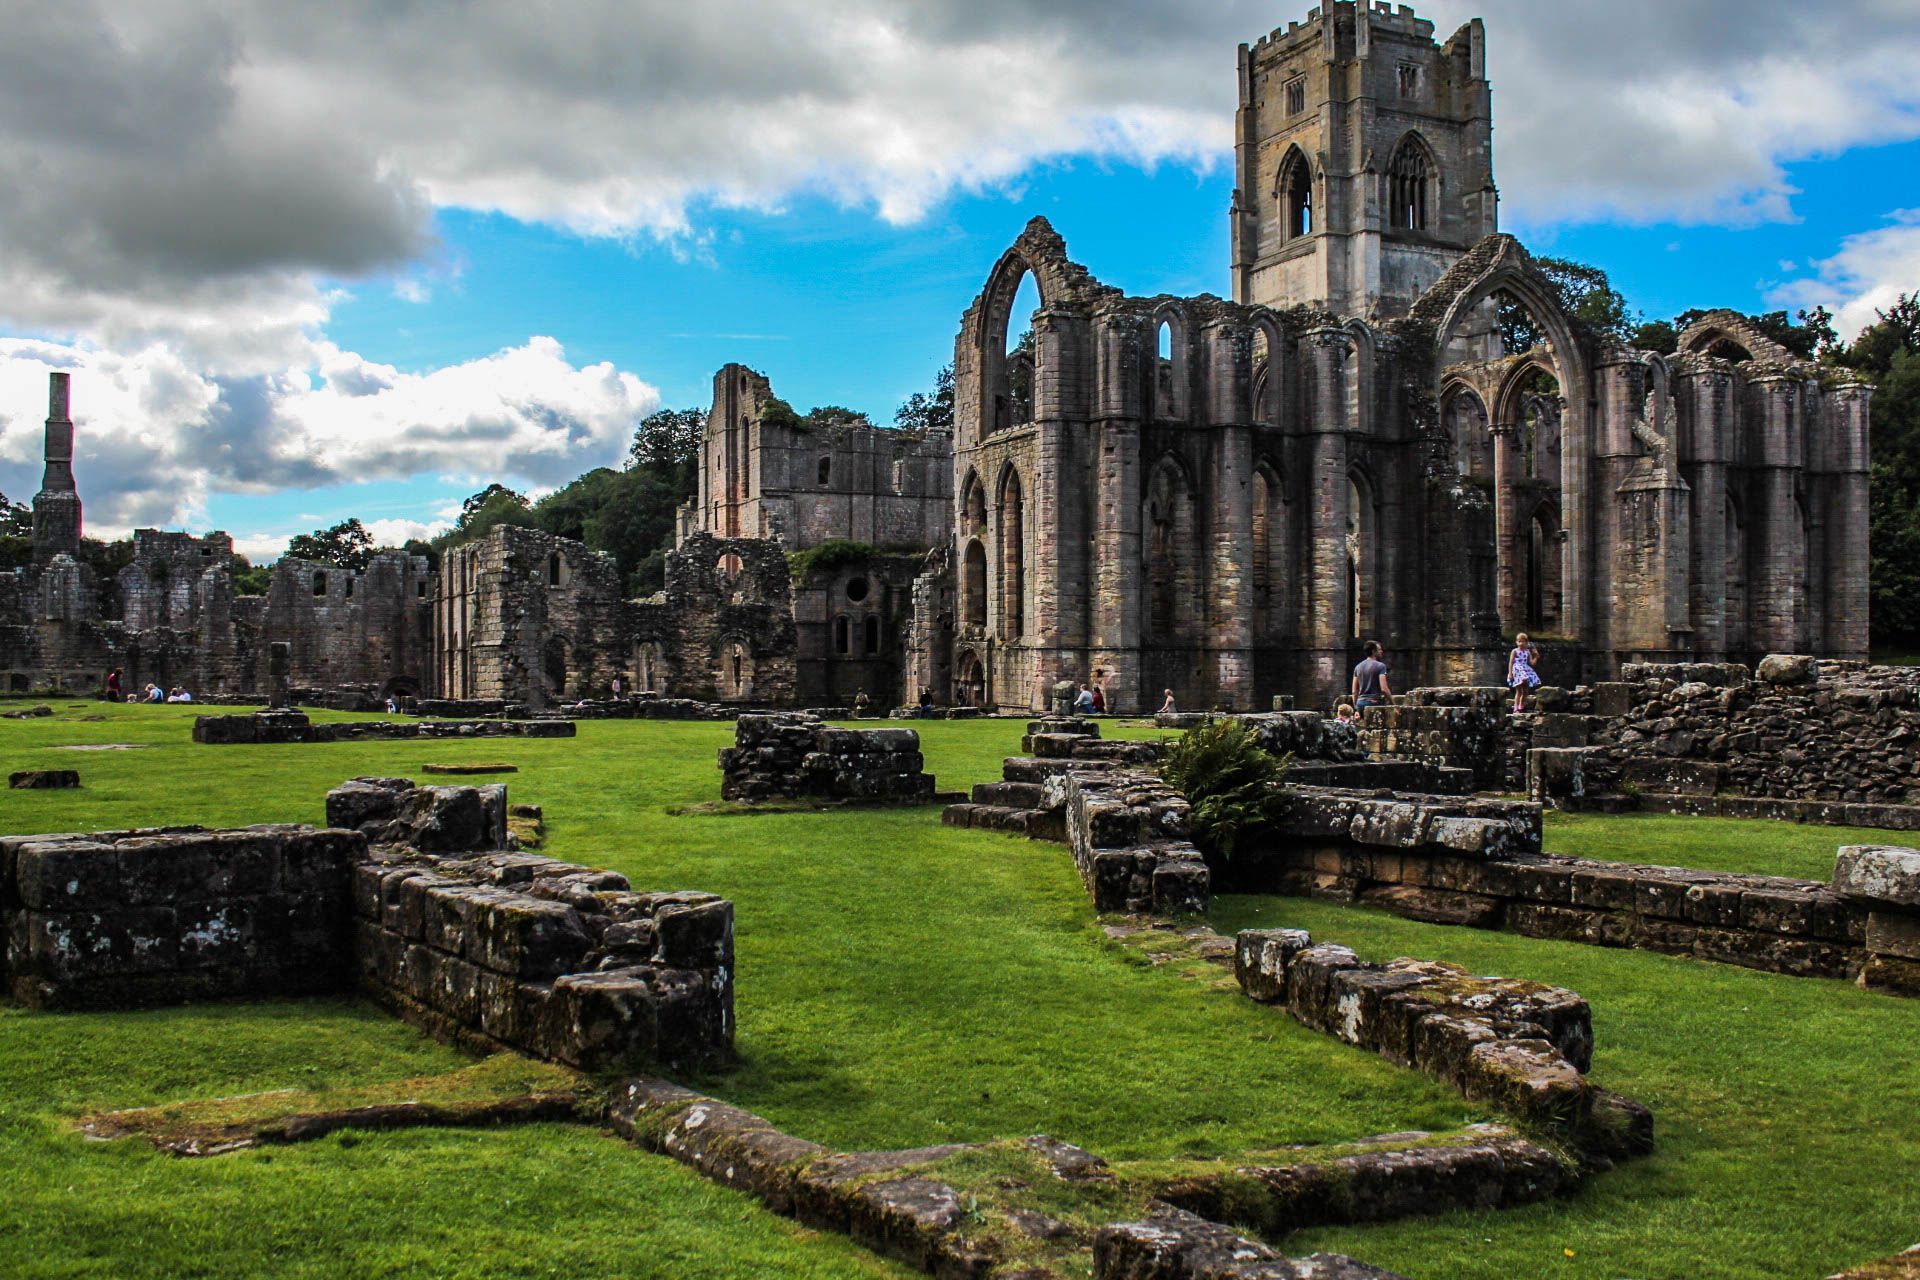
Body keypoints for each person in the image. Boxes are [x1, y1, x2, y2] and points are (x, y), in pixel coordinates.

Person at [1508, 632, 1543, 713]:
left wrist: (1536, 657)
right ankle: (1516, 708)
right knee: (1519, 691)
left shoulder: (1527, 652)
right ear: (1516, 642)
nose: (1521, 643)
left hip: (1525, 669)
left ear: (1526, 643)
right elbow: (1511, 662)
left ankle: (1521, 706)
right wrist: (1510, 673)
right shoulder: (1515, 651)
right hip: (1517, 670)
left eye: (1523, 641)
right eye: (1519, 641)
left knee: (1525, 691)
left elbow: (1531, 663)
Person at [1351, 641, 1392, 711]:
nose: (1381, 651)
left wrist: (1356, 707)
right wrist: (1392, 703)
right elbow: (1384, 689)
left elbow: (1354, 691)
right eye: (1379, 649)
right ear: (1373, 651)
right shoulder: (1381, 666)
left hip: (1360, 703)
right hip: (1374, 702)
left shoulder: (1358, 667)